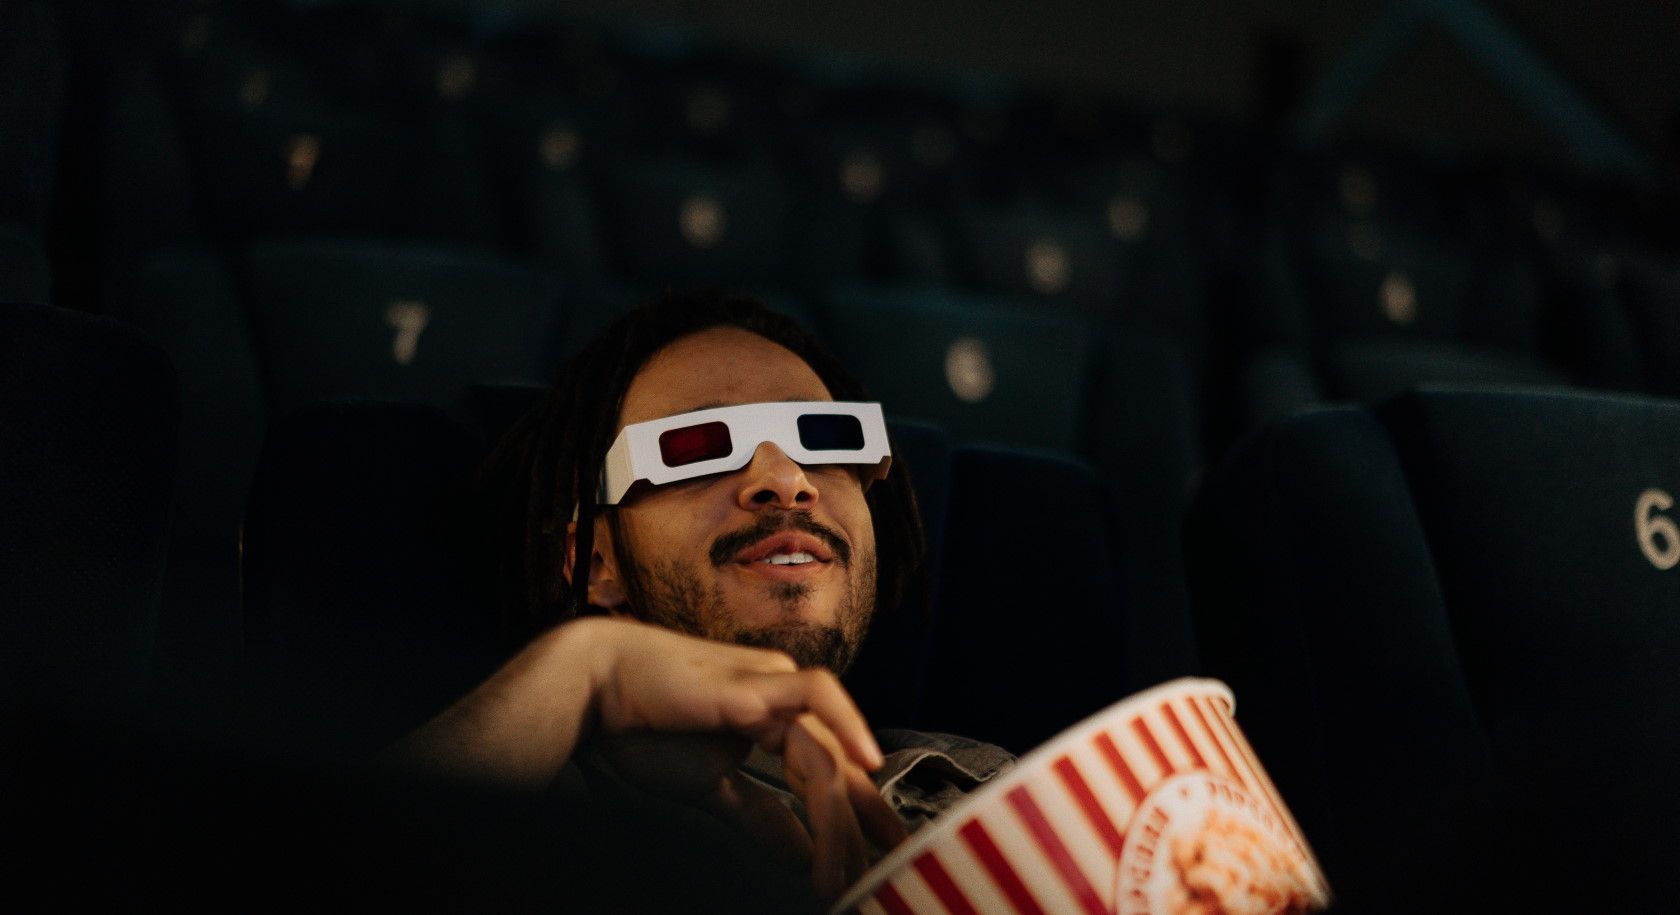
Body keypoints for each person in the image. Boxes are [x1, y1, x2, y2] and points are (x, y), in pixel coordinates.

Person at [385, 290, 1013, 902]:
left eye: (825, 437)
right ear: (594, 562)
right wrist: (588, 667)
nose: (786, 480)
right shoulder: (524, 812)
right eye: (699, 450)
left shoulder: (996, 792)